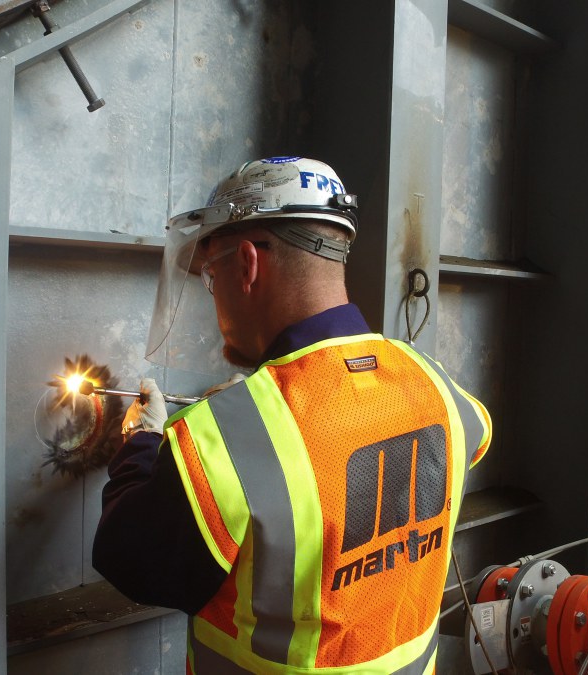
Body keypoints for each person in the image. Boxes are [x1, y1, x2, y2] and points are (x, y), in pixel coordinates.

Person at [93, 157, 491, 673]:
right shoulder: (437, 387)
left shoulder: (226, 440)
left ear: (248, 265)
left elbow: (132, 557)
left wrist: (143, 445)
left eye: (212, 276)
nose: (215, 299)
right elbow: (474, 436)